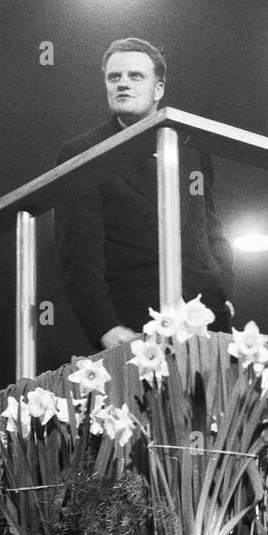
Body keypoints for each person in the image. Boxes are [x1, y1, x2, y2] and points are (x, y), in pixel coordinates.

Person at [53, 37, 234, 351]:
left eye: (135, 76)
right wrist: (104, 326)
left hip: (208, 319)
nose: (123, 84)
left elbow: (210, 226)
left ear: (158, 89)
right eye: (114, 77)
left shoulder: (191, 150)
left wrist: (225, 291)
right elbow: (78, 252)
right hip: (134, 325)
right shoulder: (83, 153)